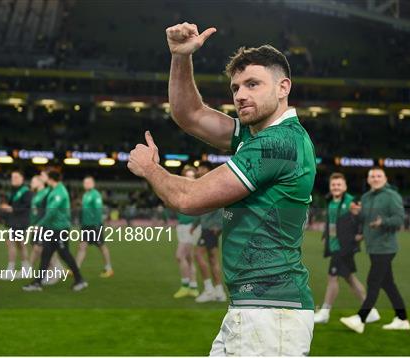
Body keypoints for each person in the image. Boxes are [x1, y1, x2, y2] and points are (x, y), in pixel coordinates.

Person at [127, 23, 316, 356]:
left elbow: (189, 199)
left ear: (283, 87)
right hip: (256, 308)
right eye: (236, 87)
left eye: (253, 84)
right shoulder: (256, 135)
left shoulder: (277, 144)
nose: (240, 94)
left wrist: (149, 169)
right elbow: (190, 114)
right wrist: (180, 57)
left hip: (270, 317)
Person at [340, 167, 410, 333]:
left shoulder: (391, 196)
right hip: (373, 247)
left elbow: (399, 219)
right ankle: (402, 319)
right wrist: (356, 213)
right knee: (388, 284)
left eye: (379, 176)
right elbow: (364, 219)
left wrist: (382, 222)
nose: (376, 178)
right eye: (373, 176)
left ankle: (360, 319)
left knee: (373, 282)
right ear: (368, 179)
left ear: (385, 178)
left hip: (386, 247)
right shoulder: (366, 197)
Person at [314, 173, 379, 324]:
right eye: (333, 185)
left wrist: (361, 234)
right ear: (330, 186)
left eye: (339, 185)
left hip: (344, 248)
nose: (336, 187)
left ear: (345, 187)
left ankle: (324, 313)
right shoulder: (331, 201)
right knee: (349, 278)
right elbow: (332, 221)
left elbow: (366, 217)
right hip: (335, 246)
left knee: (332, 277)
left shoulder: (351, 201)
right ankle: (371, 311)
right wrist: (326, 235)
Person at [23, 170, 87, 292]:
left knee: (65, 254)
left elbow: (51, 212)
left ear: (50, 178)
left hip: (59, 229)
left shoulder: (59, 192)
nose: (42, 177)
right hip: (52, 228)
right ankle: (37, 283)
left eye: (43, 176)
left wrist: (39, 225)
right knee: (46, 255)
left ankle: (79, 280)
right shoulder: (54, 189)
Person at [191, 162, 225, 303]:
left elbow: (222, 205)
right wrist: (195, 224)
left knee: (198, 255)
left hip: (212, 228)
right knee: (212, 259)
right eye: (199, 168)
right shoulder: (204, 185)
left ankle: (209, 289)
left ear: (209, 170)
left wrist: (219, 225)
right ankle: (219, 291)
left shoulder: (214, 186)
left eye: (203, 168)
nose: (199, 171)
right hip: (208, 227)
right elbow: (202, 209)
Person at [75, 176, 114, 278]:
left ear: (93, 184)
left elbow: (98, 210)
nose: (85, 184)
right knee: (82, 246)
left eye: (88, 182)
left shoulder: (95, 194)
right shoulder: (86, 195)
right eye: (84, 182)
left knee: (101, 246)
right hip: (86, 225)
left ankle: (109, 268)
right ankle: (76, 269)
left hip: (94, 225)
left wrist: (97, 224)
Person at [28, 173, 63, 285]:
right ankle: (55, 269)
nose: (31, 183)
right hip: (37, 225)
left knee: (44, 249)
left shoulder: (47, 192)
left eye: (33, 181)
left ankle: (55, 271)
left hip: (44, 226)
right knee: (38, 248)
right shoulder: (37, 194)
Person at [173, 166, 200, 298]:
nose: (189, 178)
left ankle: (185, 285)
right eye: (187, 176)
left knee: (180, 255)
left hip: (191, 227)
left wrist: (195, 225)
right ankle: (193, 287)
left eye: (192, 176)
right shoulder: (182, 192)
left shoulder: (198, 192)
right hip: (182, 226)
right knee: (189, 258)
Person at [0, 170, 32, 279]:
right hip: (16, 220)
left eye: (16, 177)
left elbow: (27, 206)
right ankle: (26, 269)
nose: (13, 179)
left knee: (11, 243)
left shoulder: (25, 191)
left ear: (22, 178)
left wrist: (12, 208)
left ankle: (10, 271)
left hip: (20, 221)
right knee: (20, 244)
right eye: (12, 177)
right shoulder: (15, 191)